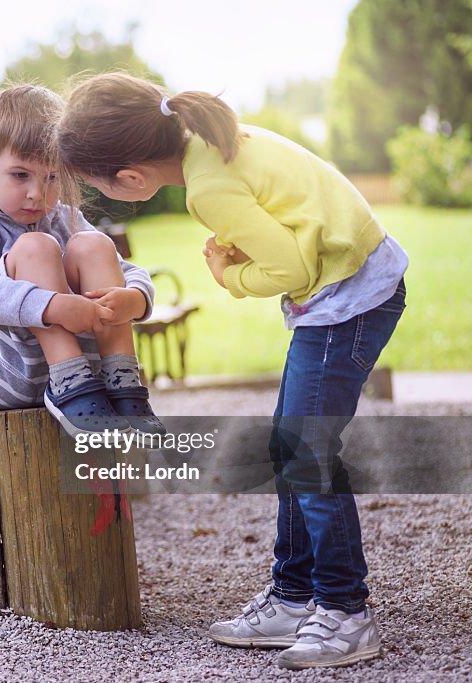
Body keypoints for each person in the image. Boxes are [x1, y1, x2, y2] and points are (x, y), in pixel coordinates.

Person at [56, 72, 407, 670]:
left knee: (305, 452)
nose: (99, 197)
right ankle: (296, 596)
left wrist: (230, 278)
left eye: (97, 187)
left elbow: (293, 269)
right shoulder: (214, 138)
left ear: (132, 177)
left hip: (347, 303)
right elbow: (294, 219)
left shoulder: (206, 187)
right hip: (354, 283)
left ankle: (347, 611)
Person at [0, 83, 165, 439]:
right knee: (37, 247)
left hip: (91, 377)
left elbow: (123, 269)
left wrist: (137, 297)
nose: (37, 193)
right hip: (1, 371)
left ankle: (123, 379)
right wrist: (51, 306)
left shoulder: (62, 217)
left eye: (52, 177)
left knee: (93, 244)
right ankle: (67, 379)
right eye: (20, 175)